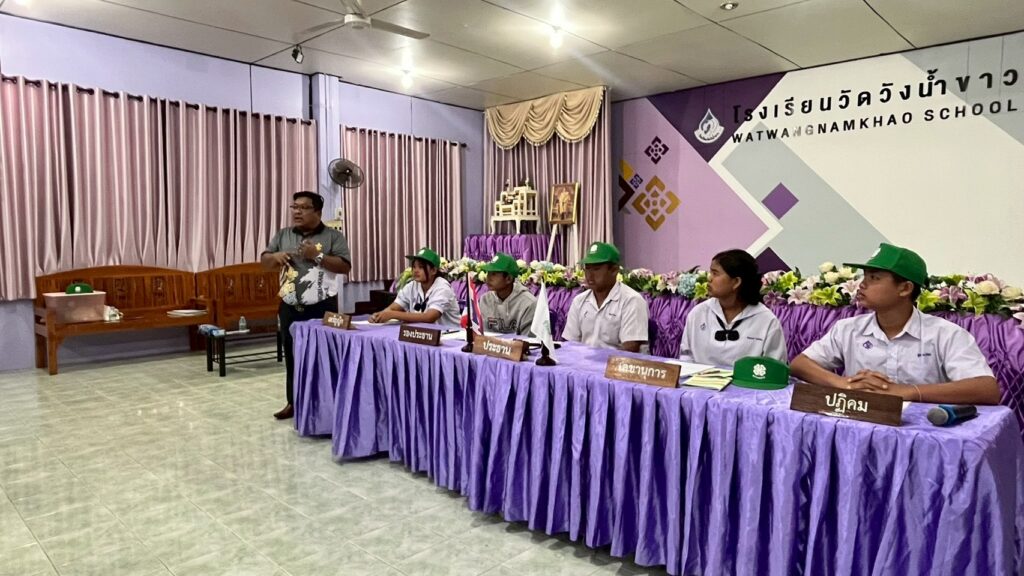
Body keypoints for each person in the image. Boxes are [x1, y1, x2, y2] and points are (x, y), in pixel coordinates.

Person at [790, 243, 1000, 405]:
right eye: (864, 277)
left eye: (874, 278)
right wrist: (845, 384)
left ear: (905, 288)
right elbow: (800, 364)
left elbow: (986, 389)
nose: (862, 284)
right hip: (859, 427)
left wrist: (908, 392)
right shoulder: (848, 328)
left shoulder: (945, 334)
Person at [261, 191, 351, 420]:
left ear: (317, 212)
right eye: (294, 207)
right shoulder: (283, 235)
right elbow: (265, 260)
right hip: (290, 307)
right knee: (292, 356)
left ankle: (326, 406)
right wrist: (275, 257)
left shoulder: (333, 237)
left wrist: (317, 256)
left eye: (303, 207)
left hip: (322, 307)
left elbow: (344, 267)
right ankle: (293, 402)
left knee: (324, 356)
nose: (297, 212)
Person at [679, 249, 787, 366]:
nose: (709, 278)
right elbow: (685, 358)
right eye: (710, 272)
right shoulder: (698, 313)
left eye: (715, 273)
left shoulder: (766, 321)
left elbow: (775, 368)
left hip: (746, 378)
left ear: (736, 282)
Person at [561, 242, 649, 352]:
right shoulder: (579, 301)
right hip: (584, 361)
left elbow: (630, 350)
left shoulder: (631, 300)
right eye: (587, 268)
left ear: (614, 270)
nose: (589, 275)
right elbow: (570, 344)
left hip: (618, 362)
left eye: (596, 269)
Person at [371, 247, 460, 327]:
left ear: (433, 270)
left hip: (450, 336)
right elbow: (393, 308)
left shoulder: (442, 287)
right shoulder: (411, 286)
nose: (415, 271)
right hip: (421, 334)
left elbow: (429, 317)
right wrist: (378, 316)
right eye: (414, 267)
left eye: (421, 267)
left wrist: (392, 314)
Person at [477, 252, 536, 335]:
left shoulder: (529, 303)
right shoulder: (484, 300)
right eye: (488, 273)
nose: (488, 278)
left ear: (508, 279)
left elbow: (528, 340)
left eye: (493, 274)